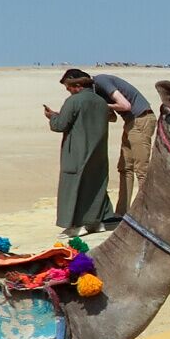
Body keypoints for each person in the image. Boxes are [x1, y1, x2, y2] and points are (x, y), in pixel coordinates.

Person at [77, 70, 156, 216]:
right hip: (130, 122)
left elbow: (125, 106)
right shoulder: (95, 93)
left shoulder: (100, 81)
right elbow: (112, 118)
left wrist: (101, 104)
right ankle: (122, 212)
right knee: (125, 167)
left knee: (141, 169)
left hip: (141, 119)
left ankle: (148, 211)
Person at [45, 69, 113, 237]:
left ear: (77, 85)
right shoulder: (101, 102)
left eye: (68, 87)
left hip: (76, 152)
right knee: (95, 186)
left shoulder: (74, 101)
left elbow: (60, 125)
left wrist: (52, 117)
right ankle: (96, 222)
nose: (68, 90)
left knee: (73, 186)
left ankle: (75, 225)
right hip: (98, 152)